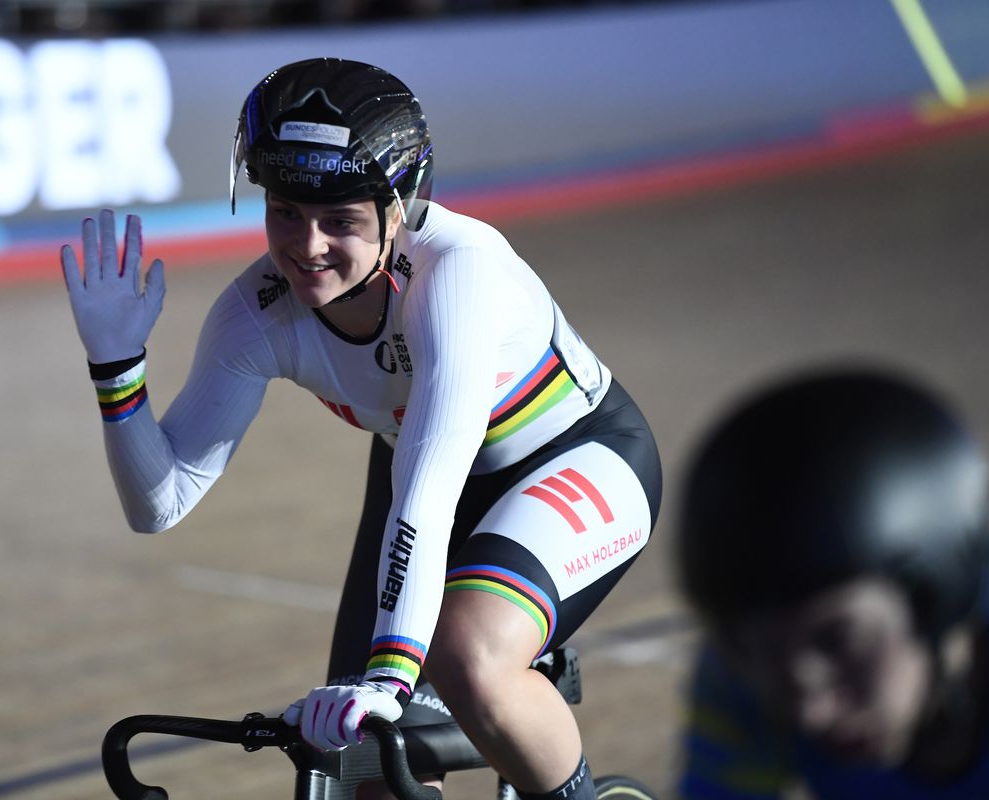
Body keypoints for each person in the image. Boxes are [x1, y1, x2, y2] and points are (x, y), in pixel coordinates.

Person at [60, 57, 661, 799]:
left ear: (400, 210)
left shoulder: (458, 274)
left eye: (340, 220)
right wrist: (116, 367)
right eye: (285, 211)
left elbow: (428, 489)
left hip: (570, 460)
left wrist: (389, 676)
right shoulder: (256, 315)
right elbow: (161, 503)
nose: (306, 246)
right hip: (424, 476)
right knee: (361, 763)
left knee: (465, 657)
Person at [674, 368, 989, 799]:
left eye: (838, 639)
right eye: (756, 651)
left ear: (938, 594)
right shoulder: (741, 680)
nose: (810, 713)